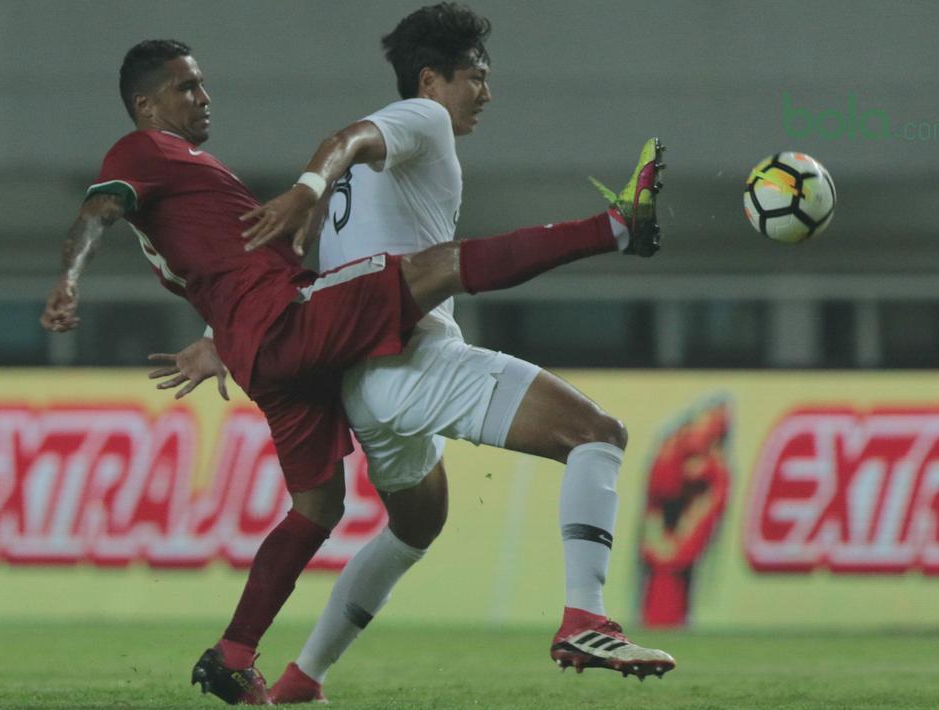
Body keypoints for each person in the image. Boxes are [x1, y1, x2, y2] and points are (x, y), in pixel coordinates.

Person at [45, 34, 662, 706]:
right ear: (147, 105)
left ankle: (241, 656)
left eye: (200, 83)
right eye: (185, 87)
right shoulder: (144, 153)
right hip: (304, 330)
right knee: (444, 274)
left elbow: (222, 270)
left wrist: (215, 340)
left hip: (286, 360)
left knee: (324, 510)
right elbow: (99, 207)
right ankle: (616, 229)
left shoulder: (188, 183)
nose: (203, 96)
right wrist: (68, 280)